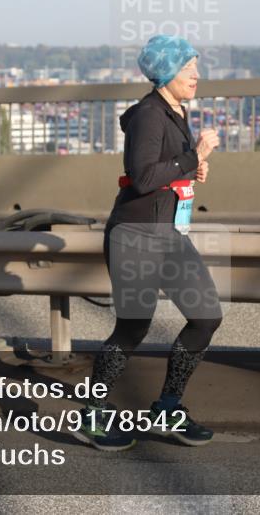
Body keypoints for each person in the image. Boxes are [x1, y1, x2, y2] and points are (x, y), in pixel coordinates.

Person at [71, 34, 222, 451]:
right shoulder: (149, 115)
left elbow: (161, 172)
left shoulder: (174, 111)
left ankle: (167, 408)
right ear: (167, 72)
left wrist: (189, 172)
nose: (196, 74)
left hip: (168, 234)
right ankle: (93, 415)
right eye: (189, 67)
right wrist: (194, 157)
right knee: (133, 327)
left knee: (206, 316)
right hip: (136, 236)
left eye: (196, 65)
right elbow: (141, 178)